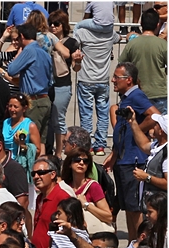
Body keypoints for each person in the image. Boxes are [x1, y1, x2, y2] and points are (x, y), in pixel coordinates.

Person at [107, 63, 159, 241]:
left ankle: (139, 244)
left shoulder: (136, 95)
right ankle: (132, 242)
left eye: (117, 77)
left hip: (133, 161)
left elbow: (154, 115)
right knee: (128, 207)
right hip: (123, 160)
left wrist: (138, 129)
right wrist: (114, 154)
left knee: (136, 209)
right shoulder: (126, 97)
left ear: (128, 80)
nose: (113, 80)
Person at [71, 17, 117, 156]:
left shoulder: (82, 33)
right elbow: (119, 36)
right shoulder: (110, 34)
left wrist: (81, 23)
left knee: (86, 114)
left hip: (86, 79)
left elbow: (76, 30)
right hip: (103, 80)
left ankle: (88, 144)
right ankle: (101, 145)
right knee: (103, 113)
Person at [3, 25, 52, 136]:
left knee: (30, 138)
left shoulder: (29, 50)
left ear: (22, 36)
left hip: (33, 101)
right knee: (41, 141)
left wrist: (21, 50)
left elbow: (11, 70)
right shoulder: (44, 53)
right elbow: (50, 79)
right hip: (45, 100)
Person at [119, 10, 167, 117]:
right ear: (157, 25)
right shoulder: (163, 45)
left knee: (138, 128)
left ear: (141, 24)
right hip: (159, 92)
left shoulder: (132, 44)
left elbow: (122, 65)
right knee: (160, 129)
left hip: (137, 92)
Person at [47, 10, 78, 158]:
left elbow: (76, 67)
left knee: (58, 119)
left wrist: (77, 60)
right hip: (47, 84)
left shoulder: (71, 42)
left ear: (63, 25)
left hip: (62, 85)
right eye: (50, 24)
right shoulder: (45, 40)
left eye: (56, 24)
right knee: (48, 119)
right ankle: (48, 149)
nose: (53, 26)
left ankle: (59, 152)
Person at [61, 148, 114, 232]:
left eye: (85, 161)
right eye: (77, 160)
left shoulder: (93, 186)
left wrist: (86, 205)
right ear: (69, 164)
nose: (81, 163)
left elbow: (108, 217)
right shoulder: (63, 186)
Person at [30, 157, 70, 248]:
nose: (36, 176)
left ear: (53, 174)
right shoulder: (39, 197)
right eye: (33, 174)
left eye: (41, 173)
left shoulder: (62, 197)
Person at [128, 112, 168, 203]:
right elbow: (143, 144)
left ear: (161, 131)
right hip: (151, 207)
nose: (153, 126)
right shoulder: (158, 145)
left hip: (161, 210)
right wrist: (133, 122)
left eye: (156, 125)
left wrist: (147, 177)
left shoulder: (167, 153)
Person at [3, 94, 41, 177]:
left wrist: (21, 145)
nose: (12, 109)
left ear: (24, 108)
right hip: (5, 163)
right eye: (10, 106)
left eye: (15, 107)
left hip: (20, 166)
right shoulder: (6, 122)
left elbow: (37, 150)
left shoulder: (30, 126)